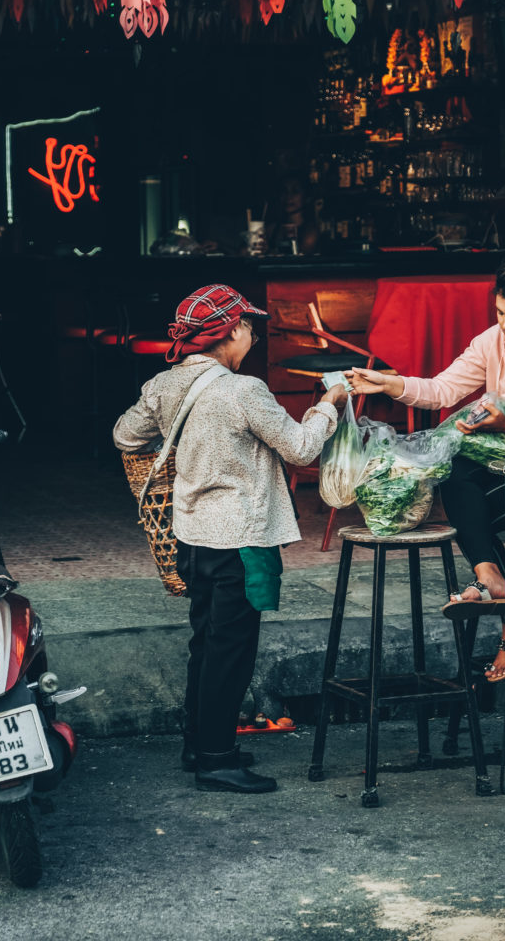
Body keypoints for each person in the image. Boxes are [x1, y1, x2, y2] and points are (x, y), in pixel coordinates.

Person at [113, 284, 346, 793]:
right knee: (231, 651)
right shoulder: (245, 391)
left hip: (191, 538)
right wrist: (329, 404)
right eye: (247, 325)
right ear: (229, 332)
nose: (253, 333)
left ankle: (199, 743)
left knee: (207, 644)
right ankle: (216, 759)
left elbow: (126, 436)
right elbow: (302, 448)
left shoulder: (164, 385)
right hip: (240, 540)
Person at [347, 260, 505, 684]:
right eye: (501, 314)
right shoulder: (492, 341)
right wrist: (389, 384)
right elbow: (442, 389)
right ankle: (486, 571)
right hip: (501, 466)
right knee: (454, 468)